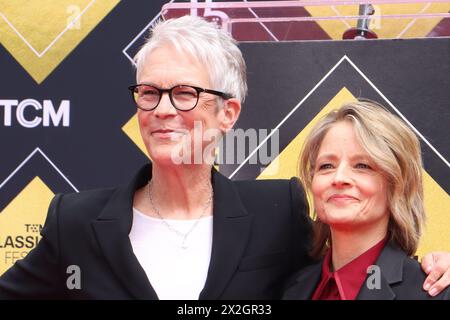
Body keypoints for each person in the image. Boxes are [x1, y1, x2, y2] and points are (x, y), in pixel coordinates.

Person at [0, 16, 448, 300]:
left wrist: (436, 268)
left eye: (185, 93)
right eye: (150, 92)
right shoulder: (76, 222)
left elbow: (359, 268)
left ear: (227, 113)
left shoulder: (278, 212)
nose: (163, 109)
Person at [283, 100, 449, 300]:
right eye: (326, 166)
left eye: (362, 166)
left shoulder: (434, 292)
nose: (339, 178)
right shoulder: (291, 289)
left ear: (397, 184)